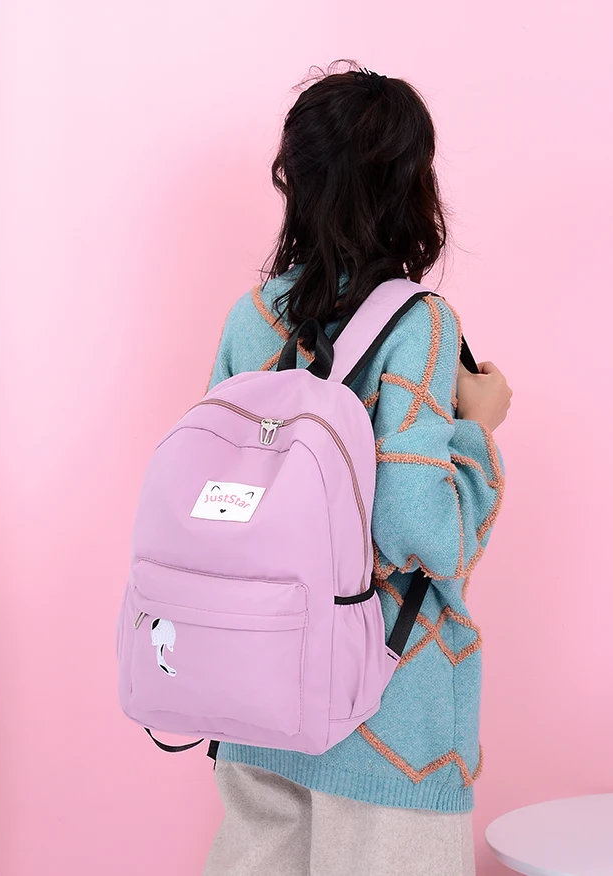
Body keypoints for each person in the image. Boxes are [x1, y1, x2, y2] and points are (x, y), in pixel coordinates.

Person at [202, 62, 511, 876]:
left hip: (257, 690)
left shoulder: (253, 316)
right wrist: (479, 431)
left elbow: (220, 499)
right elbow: (421, 529)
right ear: (412, 187)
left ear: (296, 181)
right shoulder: (419, 325)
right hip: (386, 712)